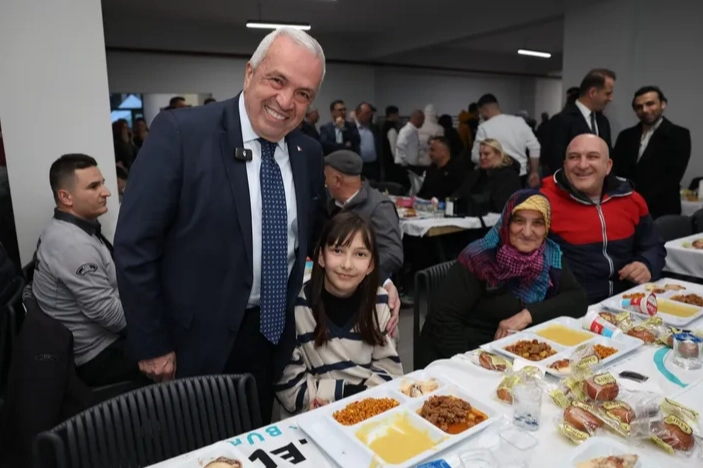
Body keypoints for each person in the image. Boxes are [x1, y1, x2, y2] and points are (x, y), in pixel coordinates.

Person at [114, 28, 399, 425]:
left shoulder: (307, 151)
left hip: (275, 335)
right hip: (193, 343)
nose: (286, 101)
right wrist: (151, 342)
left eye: (303, 93)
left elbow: (322, 233)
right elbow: (135, 245)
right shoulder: (181, 134)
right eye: (277, 80)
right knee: (197, 444)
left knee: (258, 434)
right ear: (250, 73)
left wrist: (378, 277)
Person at [417, 190, 588, 367]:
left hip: (509, 355)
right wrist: (473, 364)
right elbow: (443, 319)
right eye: (519, 221)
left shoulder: (549, 256)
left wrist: (527, 315)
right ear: (506, 222)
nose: (527, 232)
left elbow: (578, 300)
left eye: (537, 223)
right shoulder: (479, 258)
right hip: (461, 353)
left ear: (546, 227)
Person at [276, 213, 403, 414]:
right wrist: (349, 392)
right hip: (312, 419)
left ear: (371, 265)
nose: (347, 264)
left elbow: (391, 376)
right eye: (337, 251)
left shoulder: (379, 303)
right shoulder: (297, 308)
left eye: (360, 254)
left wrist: (339, 398)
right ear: (320, 257)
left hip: (367, 417)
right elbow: (291, 391)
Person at [32, 154, 141, 386]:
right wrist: (153, 328)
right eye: (94, 186)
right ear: (66, 197)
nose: (106, 192)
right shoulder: (72, 244)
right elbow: (111, 316)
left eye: (102, 183)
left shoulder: (70, 229)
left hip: (100, 340)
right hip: (97, 355)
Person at [541, 134, 666, 303]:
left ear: (608, 166)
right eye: (574, 157)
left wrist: (646, 264)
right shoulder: (541, 202)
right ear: (565, 165)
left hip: (628, 300)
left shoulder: (632, 199)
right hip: (572, 306)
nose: (582, 165)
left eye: (592, 157)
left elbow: (653, 246)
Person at [612, 86, 691, 219]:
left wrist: (639, 201)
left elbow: (672, 177)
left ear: (663, 104)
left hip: (662, 210)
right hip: (626, 207)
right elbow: (617, 171)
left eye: (650, 104)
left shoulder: (679, 135)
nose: (645, 110)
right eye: (639, 107)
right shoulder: (626, 136)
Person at [324, 150, 403, 281]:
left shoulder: (379, 207)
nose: (325, 184)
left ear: (337, 180)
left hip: (364, 284)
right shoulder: (331, 205)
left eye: (325, 178)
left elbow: (393, 255)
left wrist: (357, 267)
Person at [542, 69, 616, 176]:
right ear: (592, 92)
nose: (610, 98)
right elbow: (556, 162)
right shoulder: (561, 121)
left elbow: (607, 156)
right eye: (607, 93)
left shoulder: (603, 122)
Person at [471, 94, 541, 187]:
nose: (481, 116)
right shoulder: (519, 122)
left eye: (481, 113)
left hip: (494, 176)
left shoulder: (484, 127)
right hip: (520, 174)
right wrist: (534, 171)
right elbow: (535, 147)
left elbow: (475, 156)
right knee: (518, 196)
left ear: (485, 110)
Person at [454, 138, 522, 213]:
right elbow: (460, 193)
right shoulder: (476, 174)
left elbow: (502, 204)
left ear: (498, 154)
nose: (482, 158)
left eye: (486, 154)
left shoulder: (509, 176)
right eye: (480, 154)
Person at [416, 137, 466, 201]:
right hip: (425, 203)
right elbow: (423, 191)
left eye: (432, 150)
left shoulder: (457, 169)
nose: (430, 153)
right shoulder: (432, 168)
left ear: (443, 152)